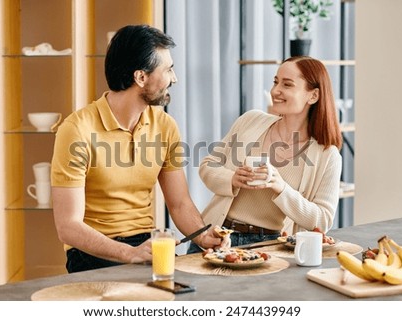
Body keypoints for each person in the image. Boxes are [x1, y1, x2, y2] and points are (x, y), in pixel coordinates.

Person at [51, 24, 222, 273]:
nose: (174, 79)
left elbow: (180, 204)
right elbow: (68, 226)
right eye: (169, 70)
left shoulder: (165, 125)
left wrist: (203, 236)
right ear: (141, 77)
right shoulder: (77, 129)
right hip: (92, 251)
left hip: (146, 243)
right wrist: (128, 254)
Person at [192, 56, 342, 250]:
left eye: (287, 85)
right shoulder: (251, 121)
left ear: (313, 96)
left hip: (268, 248)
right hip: (214, 236)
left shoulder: (327, 156)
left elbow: (322, 221)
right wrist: (232, 179)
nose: (275, 91)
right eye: (275, 82)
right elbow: (208, 165)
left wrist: (281, 187)